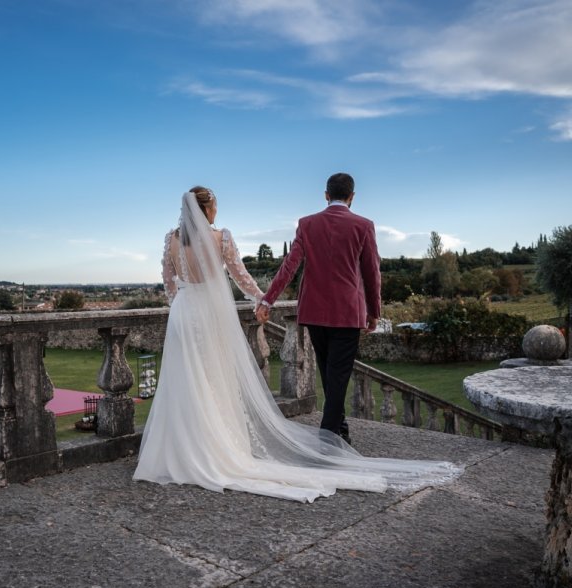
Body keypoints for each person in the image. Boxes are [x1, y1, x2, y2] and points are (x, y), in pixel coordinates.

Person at [133, 187, 459, 503]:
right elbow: (241, 276)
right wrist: (261, 299)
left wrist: (183, 307)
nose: (217, 211)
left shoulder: (171, 239)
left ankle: (179, 449)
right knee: (216, 378)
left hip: (183, 315)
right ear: (207, 209)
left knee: (185, 381)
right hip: (215, 315)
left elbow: (169, 283)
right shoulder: (222, 238)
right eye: (215, 205)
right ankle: (228, 447)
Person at [256, 173, 379, 446]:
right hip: (348, 313)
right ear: (352, 197)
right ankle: (327, 438)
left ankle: (339, 427)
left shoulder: (307, 224)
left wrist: (268, 300)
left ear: (326, 195)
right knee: (336, 376)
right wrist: (374, 311)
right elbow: (372, 273)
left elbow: (290, 266)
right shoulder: (364, 226)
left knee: (329, 374)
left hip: (314, 312)